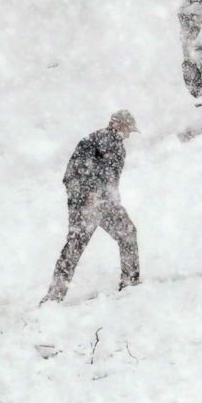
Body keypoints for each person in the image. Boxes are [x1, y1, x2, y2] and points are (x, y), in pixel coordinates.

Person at [41, 110, 141, 305]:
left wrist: (104, 198)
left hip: (100, 204)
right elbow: (78, 174)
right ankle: (129, 282)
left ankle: (54, 296)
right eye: (128, 129)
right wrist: (89, 197)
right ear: (118, 125)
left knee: (76, 247)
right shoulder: (103, 141)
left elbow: (98, 177)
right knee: (80, 245)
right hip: (91, 204)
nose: (129, 135)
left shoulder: (104, 142)